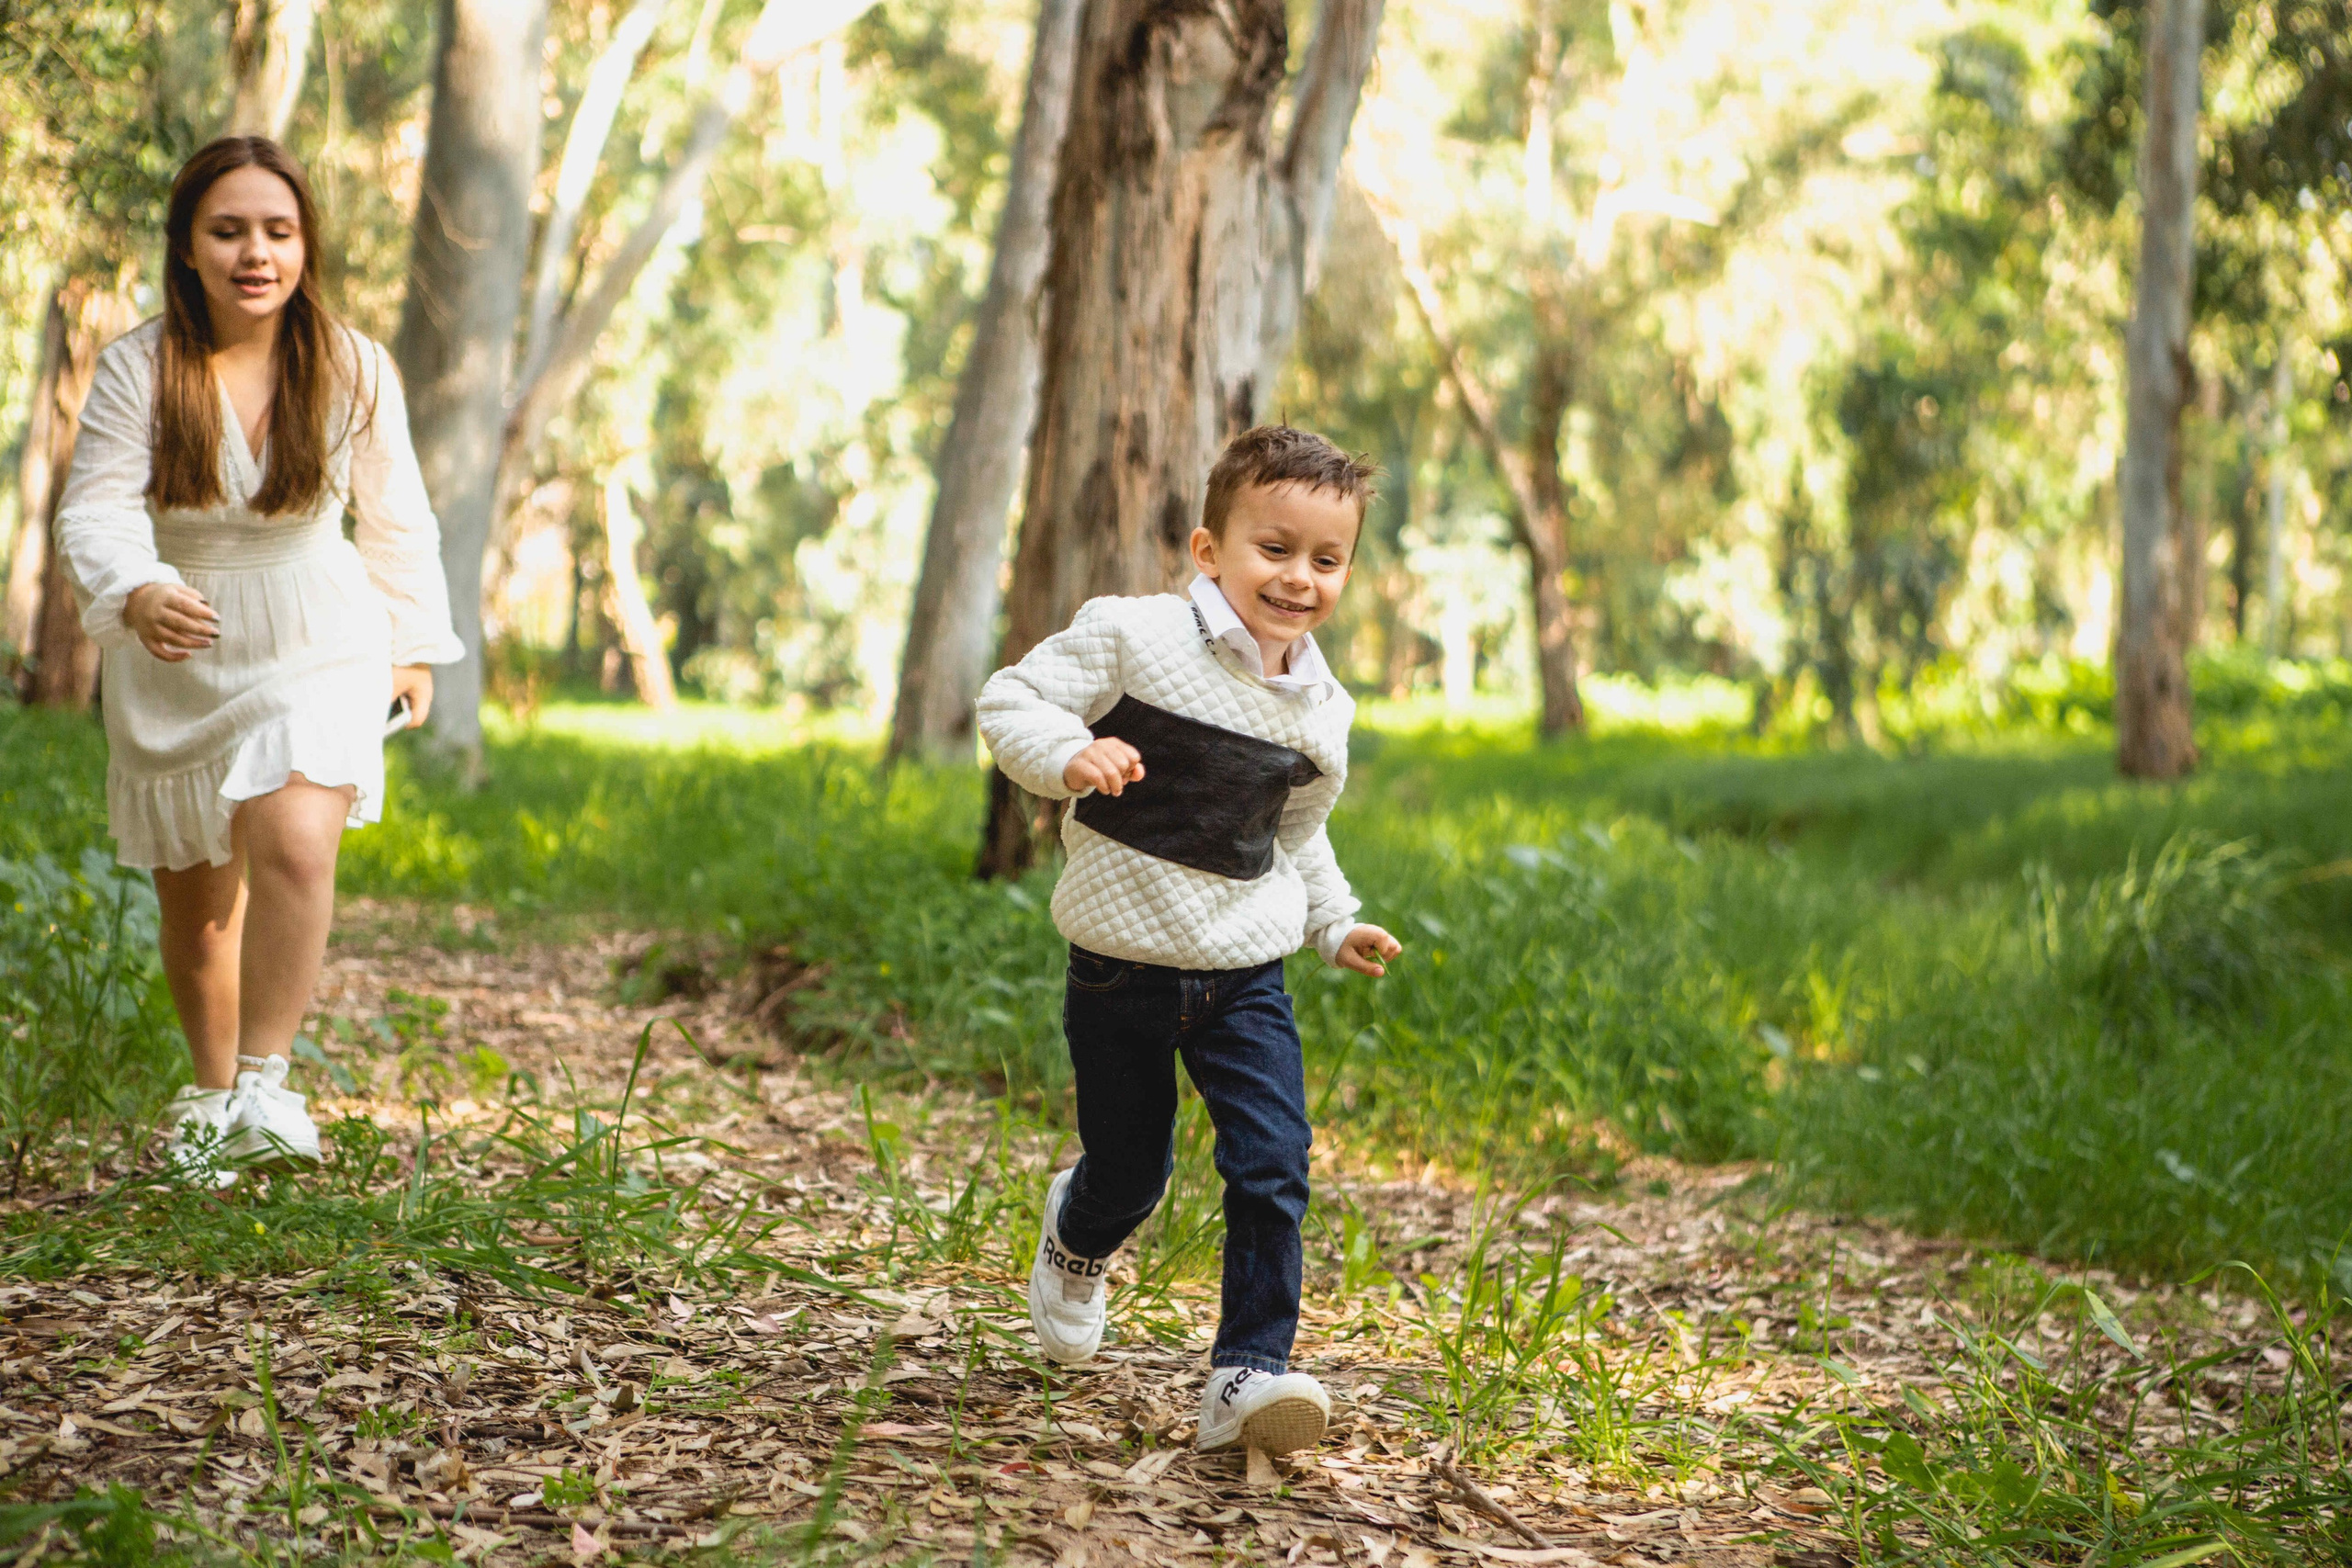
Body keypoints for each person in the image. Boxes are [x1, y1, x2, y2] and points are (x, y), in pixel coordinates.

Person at [977, 425, 1404, 1457]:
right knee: (1131, 1169)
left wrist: (1333, 922)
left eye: (1326, 559)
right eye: (1274, 548)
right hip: (1119, 968)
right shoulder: (1135, 635)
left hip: (1244, 976)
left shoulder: (1320, 712)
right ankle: (1077, 1240)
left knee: (1272, 1163)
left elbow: (1295, 839)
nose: (1299, 578)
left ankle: (1246, 1374)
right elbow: (1010, 699)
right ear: (1209, 550)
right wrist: (1073, 753)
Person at [52, 137, 463, 1185]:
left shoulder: (352, 363)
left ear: (305, 243)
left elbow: (398, 516)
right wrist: (137, 591)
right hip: (180, 637)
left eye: (277, 231)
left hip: (317, 626)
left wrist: (414, 645)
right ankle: (211, 1096)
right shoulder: (141, 366)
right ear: (188, 247)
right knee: (199, 907)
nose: (255, 252)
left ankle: (267, 1086)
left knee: (292, 835)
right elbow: (95, 507)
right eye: (228, 230)